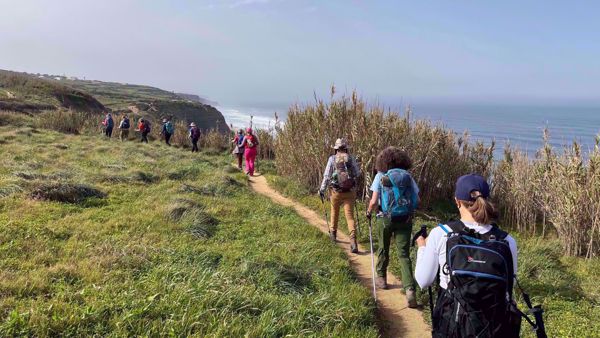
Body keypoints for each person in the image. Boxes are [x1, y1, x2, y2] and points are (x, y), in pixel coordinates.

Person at [414, 174, 519, 337]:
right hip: (494, 328)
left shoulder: (441, 233)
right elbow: (508, 286)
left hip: (452, 325)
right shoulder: (506, 240)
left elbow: (423, 281)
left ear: (457, 201)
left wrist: (422, 247)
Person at [366, 146, 419, 307]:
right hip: (405, 219)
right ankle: (410, 290)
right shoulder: (408, 177)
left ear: (384, 161)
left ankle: (381, 278)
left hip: (385, 219)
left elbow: (374, 202)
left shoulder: (381, 176)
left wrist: (369, 212)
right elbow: (418, 199)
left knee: (383, 247)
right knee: (404, 255)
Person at [319, 138, 361, 253]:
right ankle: (353, 242)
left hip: (336, 191)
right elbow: (357, 173)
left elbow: (327, 176)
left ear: (336, 149)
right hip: (350, 191)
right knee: (350, 216)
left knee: (334, 212)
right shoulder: (351, 158)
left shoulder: (332, 159)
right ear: (346, 148)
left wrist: (322, 190)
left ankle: (333, 235)